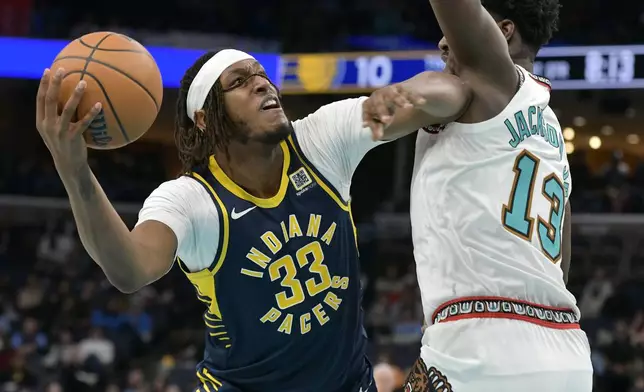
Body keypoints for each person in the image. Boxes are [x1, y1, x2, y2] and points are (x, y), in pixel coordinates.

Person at [35, 49, 471, 392]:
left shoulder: (322, 139)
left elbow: (446, 96)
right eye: (240, 82)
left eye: (262, 74)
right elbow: (129, 270)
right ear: (205, 119)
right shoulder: (190, 199)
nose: (263, 83)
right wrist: (76, 171)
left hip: (348, 383)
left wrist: (422, 96)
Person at [403, 0, 594, 391]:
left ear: (503, 31)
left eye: (452, 35)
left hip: (482, 339)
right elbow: (563, 260)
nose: (443, 43)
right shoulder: (551, 132)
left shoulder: (492, 79)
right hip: (566, 345)